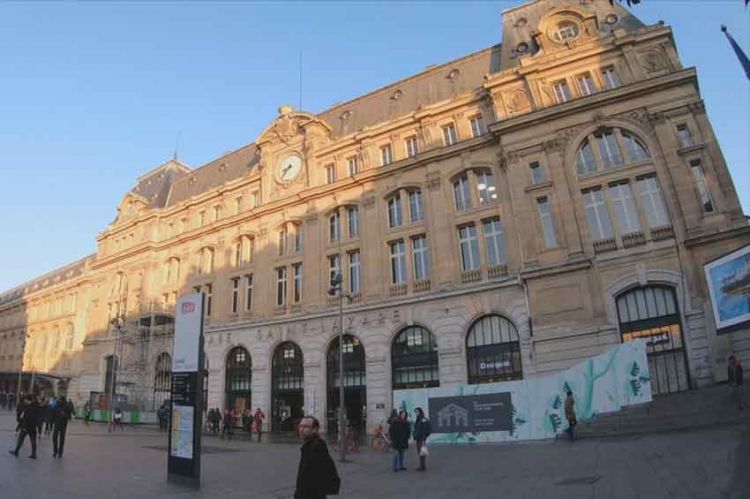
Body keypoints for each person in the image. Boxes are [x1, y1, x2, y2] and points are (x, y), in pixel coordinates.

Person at [294, 416, 340, 499]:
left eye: (305, 427)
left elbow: (312, 479)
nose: (301, 429)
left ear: (315, 429)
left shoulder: (316, 448)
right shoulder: (309, 446)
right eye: (300, 426)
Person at [9, 394, 39, 459]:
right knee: (33, 441)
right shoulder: (35, 406)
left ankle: (16, 451)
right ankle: (34, 454)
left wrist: (23, 422)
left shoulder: (29, 407)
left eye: (26, 399)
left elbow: (27, 417)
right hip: (33, 427)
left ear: (28, 400)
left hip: (27, 426)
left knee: (21, 439)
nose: (25, 400)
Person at [413, 407, 431, 472]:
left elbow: (426, 429)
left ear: (420, 412)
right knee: (421, 452)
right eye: (415, 412)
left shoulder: (423, 419)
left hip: (421, 438)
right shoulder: (418, 419)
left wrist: (424, 437)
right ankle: (422, 465)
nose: (416, 413)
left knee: (421, 452)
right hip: (418, 438)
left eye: (417, 412)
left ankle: (422, 466)